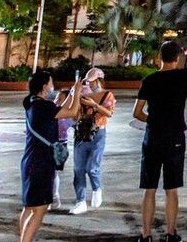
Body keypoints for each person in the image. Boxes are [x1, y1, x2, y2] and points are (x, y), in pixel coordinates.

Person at [133, 41, 187, 242]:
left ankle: (146, 235)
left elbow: (137, 113)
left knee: (149, 189)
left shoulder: (149, 80)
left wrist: (153, 120)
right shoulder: (182, 76)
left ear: (160, 58)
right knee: (171, 189)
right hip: (175, 137)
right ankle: (171, 233)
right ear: (178, 59)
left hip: (153, 137)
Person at [19, 70, 79, 242]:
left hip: (30, 159)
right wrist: (79, 92)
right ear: (45, 86)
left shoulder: (32, 102)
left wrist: (73, 92)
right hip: (41, 162)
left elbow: (62, 109)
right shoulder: (43, 106)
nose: (53, 85)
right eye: (51, 82)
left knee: (29, 207)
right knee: (41, 208)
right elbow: (72, 111)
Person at [70, 67, 115, 215]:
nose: (89, 84)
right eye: (87, 82)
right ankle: (80, 201)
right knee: (78, 169)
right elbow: (74, 116)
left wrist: (94, 105)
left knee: (92, 168)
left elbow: (109, 113)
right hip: (81, 134)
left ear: (99, 80)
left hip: (98, 133)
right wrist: (75, 96)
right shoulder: (81, 94)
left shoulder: (107, 95)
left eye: (93, 81)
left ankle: (97, 189)